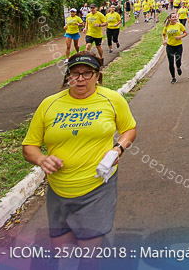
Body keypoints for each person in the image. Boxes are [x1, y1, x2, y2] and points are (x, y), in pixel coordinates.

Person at [22, 53, 136, 248]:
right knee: (62, 251)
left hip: (97, 187)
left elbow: (129, 129)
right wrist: (41, 159)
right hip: (58, 190)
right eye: (75, 74)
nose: (80, 79)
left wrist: (118, 148)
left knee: (88, 253)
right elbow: (29, 146)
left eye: (87, 73)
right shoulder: (49, 104)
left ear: (97, 75)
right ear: (67, 76)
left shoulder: (112, 100)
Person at [162, 12, 187, 84]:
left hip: (178, 45)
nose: (175, 18)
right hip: (170, 46)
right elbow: (163, 35)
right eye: (173, 17)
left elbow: (185, 33)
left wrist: (180, 37)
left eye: (175, 17)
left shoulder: (179, 25)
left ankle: (178, 67)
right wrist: (164, 41)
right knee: (171, 62)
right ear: (170, 19)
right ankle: (173, 77)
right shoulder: (167, 26)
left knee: (178, 61)